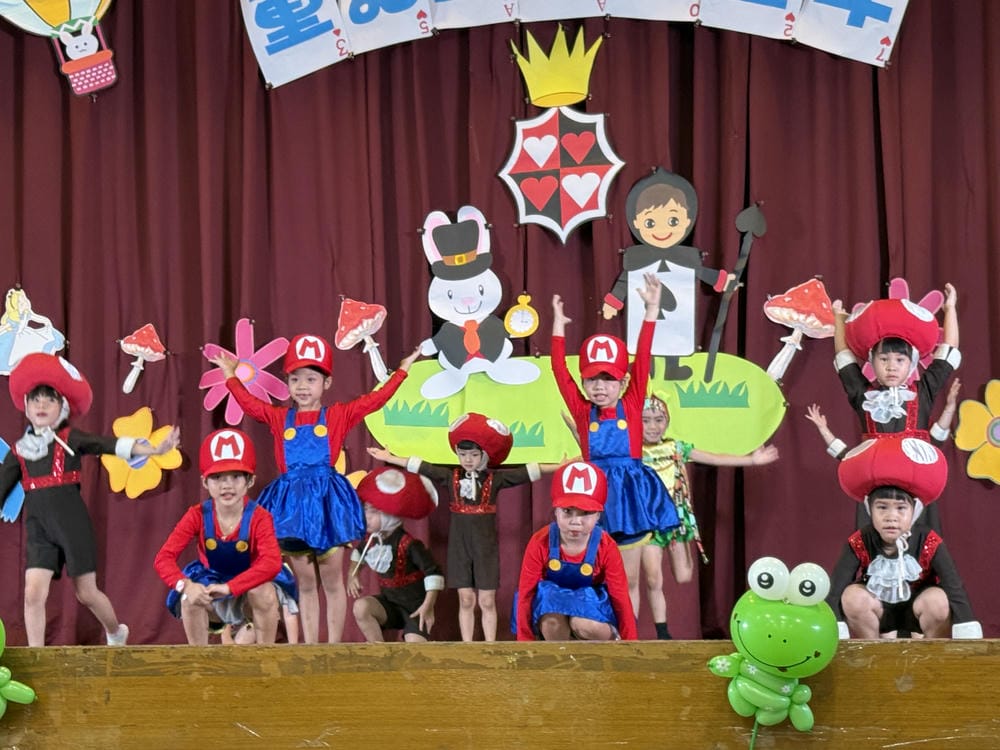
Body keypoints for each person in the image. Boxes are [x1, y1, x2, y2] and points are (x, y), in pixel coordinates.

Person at [209, 333, 419, 643]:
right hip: (292, 508)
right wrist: (230, 375)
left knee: (333, 581)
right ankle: (311, 648)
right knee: (306, 584)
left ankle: (332, 648)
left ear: (327, 383)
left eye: (311, 379)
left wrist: (402, 370)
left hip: (326, 503)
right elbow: (250, 404)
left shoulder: (337, 415)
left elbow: (375, 400)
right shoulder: (279, 417)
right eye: (295, 379)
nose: (303, 386)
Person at [0, 353, 179, 646]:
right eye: (36, 400)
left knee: (86, 592)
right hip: (38, 528)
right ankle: (37, 656)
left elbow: (107, 445)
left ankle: (116, 631)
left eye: (49, 400)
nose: (41, 405)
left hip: (72, 524)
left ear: (61, 407)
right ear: (26, 406)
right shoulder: (20, 450)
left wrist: (154, 451)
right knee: (33, 593)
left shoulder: (70, 439)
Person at [551, 272, 678, 617]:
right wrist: (558, 327)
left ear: (622, 382)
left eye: (608, 380)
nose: (599, 387)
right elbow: (559, 371)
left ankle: (629, 633)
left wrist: (651, 311)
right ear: (584, 383)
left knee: (629, 577)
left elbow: (644, 355)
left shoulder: (633, 403)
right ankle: (601, 629)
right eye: (592, 379)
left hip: (630, 496)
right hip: (595, 494)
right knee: (597, 574)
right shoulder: (582, 411)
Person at [368, 413, 558, 641]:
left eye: (474, 455)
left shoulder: (494, 480)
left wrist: (561, 466)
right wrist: (389, 457)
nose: (468, 459)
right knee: (466, 599)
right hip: (459, 549)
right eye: (463, 454)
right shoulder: (451, 477)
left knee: (486, 600)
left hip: (485, 549)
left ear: (484, 455)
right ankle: (467, 646)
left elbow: (528, 472)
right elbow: (422, 467)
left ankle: (490, 646)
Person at [640, 394, 779, 639]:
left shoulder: (676, 448)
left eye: (659, 419)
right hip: (647, 523)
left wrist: (752, 460)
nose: (653, 426)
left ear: (667, 421)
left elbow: (715, 458)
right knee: (653, 579)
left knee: (684, 576)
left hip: (675, 522)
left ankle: (679, 554)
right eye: (646, 420)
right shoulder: (632, 451)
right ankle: (662, 631)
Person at [828, 431, 981, 640]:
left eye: (901, 508)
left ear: (914, 512)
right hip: (879, 609)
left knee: (939, 600)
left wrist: (966, 624)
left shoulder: (929, 540)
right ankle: (873, 652)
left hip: (918, 609)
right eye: (882, 508)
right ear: (870, 510)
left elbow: (953, 585)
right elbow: (836, 589)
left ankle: (930, 654)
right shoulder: (859, 540)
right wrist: (835, 623)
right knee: (851, 596)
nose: (891, 517)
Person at [832, 284, 959, 530]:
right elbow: (844, 358)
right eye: (884, 359)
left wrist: (950, 308)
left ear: (911, 363)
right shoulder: (863, 394)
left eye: (900, 359)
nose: (891, 366)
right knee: (872, 543)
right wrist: (839, 319)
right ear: (872, 362)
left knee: (922, 542)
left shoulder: (923, 391)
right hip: (876, 485)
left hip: (916, 482)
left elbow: (948, 352)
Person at [154, 428, 296, 645]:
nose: (227, 485)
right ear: (205, 482)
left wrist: (230, 587)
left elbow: (272, 562)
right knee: (189, 599)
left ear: (250, 481)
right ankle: (199, 661)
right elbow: (163, 558)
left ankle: (266, 656)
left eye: (236, 476)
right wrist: (186, 585)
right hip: (211, 586)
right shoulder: (196, 515)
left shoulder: (260, 517)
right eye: (217, 477)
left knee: (264, 592)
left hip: (249, 586)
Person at [601, 169, 732, 380]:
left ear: (687, 221)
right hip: (644, 310)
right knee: (646, 337)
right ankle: (646, 368)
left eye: (672, 221)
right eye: (650, 223)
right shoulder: (638, 259)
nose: (662, 230)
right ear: (636, 223)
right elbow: (625, 280)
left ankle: (673, 368)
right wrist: (613, 302)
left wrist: (721, 280)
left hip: (678, 311)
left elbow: (700, 272)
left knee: (673, 337)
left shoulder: (686, 258)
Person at [805, 376, 961, 533]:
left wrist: (949, 408)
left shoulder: (916, 452)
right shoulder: (872, 455)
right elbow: (846, 456)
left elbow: (935, 439)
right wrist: (823, 429)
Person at [515, 460, 636, 641]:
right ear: (556, 511)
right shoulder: (540, 542)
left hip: (591, 610)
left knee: (583, 624)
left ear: (598, 515)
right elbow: (526, 594)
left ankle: (606, 647)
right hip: (554, 609)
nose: (575, 521)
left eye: (585, 513)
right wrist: (525, 643)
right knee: (551, 622)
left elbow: (620, 598)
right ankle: (563, 657)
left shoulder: (606, 546)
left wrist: (631, 645)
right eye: (567, 511)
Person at [348, 467, 443, 642]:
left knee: (414, 651)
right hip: (389, 606)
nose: (366, 517)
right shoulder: (371, 541)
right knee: (361, 607)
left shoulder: (409, 544)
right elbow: (357, 554)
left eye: (373, 512)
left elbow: (434, 574)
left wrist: (428, 606)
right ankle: (380, 652)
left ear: (389, 516)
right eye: (365, 510)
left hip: (416, 610)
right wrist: (352, 574)